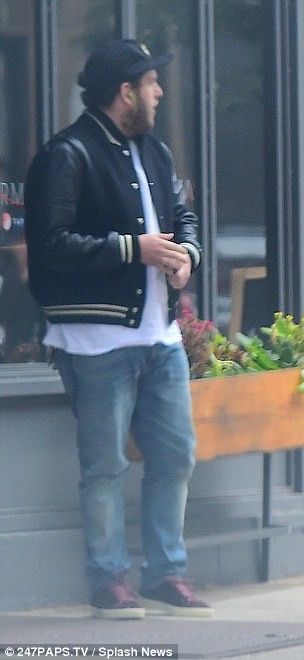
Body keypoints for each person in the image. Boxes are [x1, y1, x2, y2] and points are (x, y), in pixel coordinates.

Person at [24, 39, 211, 620]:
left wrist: (187, 255)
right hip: (96, 343)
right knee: (104, 467)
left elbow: (183, 215)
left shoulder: (154, 150)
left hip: (160, 338)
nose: (160, 93)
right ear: (126, 92)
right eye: (152, 84)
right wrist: (134, 249)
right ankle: (109, 582)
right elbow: (49, 247)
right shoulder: (66, 154)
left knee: (176, 456)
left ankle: (166, 575)